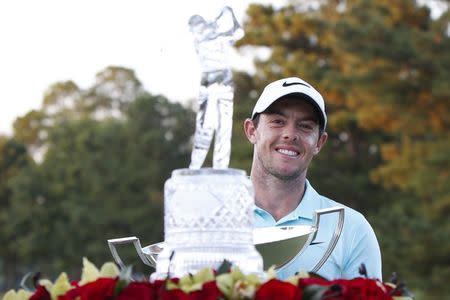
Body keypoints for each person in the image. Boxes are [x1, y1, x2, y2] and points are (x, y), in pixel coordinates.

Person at [243, 76, 382, 280]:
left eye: (305, 126)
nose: (290, 134)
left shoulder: (352, 229)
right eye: (278, 122)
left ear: (320, 142)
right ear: (251, 130)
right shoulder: (210, 217)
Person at [188, 6, 244, 169]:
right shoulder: (204, 40)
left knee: (224, 128)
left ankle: (220, 167)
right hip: (207, 87)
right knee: (205, 127)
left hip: (224, 86)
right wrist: (220, 22)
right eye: (195, 31)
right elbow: (235, 33)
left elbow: (239, 33)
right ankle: (195, 165)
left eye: (199, 28)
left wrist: (229, 12)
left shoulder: (219, 37)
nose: (197, 33)